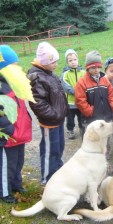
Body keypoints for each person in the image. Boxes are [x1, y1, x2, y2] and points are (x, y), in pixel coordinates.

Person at [27, 42, 68, 185]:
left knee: (59, 146)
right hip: (50, 122)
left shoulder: (49, 74)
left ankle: (57, 169)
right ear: (44, 62)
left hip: (57, 120)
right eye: (53, 62)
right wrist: (55, 115)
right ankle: (47, 178)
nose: (56, 64)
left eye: (56, 61)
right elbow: (37, 103)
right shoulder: (37, 77)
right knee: (50, 150)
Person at [0, 45, 32, 203]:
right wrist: (10, 131)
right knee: (7, 165)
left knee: (19, 162)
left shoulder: (14, 82)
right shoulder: (1, 88)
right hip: (9, 136)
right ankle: (4, 192)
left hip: (19, 133)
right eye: (13, 65)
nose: (17, 68)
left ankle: (16, 185)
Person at [75, 50, 113, 138]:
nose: (96, 70)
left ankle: (106, 151)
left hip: (106, 116)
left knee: (105, 138)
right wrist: (90, 111)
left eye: (98, 67)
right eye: (93, 67)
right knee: (93, 139)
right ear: (87, 68)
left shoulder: (104, 80)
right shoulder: (82, 82)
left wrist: (111, 105)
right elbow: (80, 101)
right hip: (92, 119)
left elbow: (111, 94)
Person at [61, 49, 85, 139]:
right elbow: (64, 84)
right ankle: (70, 130)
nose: (73, 62)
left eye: (75, 60)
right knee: (70, 118)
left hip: (81, 101)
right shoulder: (65, 74)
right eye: (70, 60)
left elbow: (86, 83)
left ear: (77, 60)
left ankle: (82, 128)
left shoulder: (83, 72)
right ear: (67, 62)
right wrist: (74, 91)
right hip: (70, 102)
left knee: (82, 117)